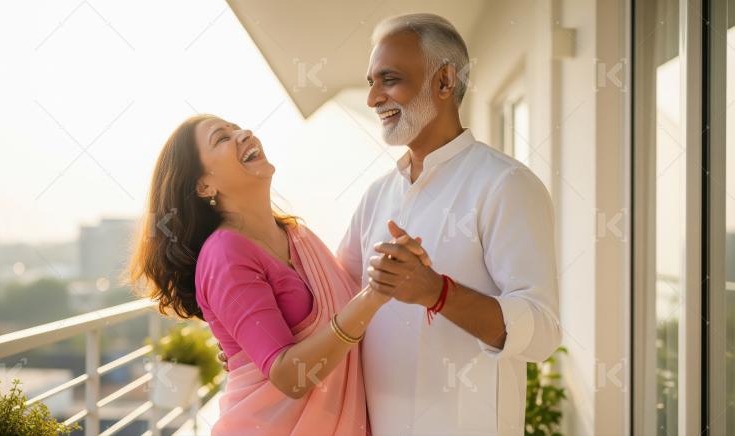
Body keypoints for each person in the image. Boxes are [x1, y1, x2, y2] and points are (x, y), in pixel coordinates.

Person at [128, 114, 428, 435]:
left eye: (236, 127)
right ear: (204, 185)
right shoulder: (225, 253)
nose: (244, 133)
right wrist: (373, 297)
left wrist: (401, 266)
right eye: (222, 138)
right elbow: (291, 377)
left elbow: (343, 298)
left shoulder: (297, 234)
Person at [336, 13, 563, 435]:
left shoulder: (506, 184)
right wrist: (262, 346)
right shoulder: (376, 195)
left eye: (389, 79)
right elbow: (333, 293)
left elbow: (543, 332)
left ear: (444, 81)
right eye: (371, 82)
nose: (373, 99)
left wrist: (436, 292)